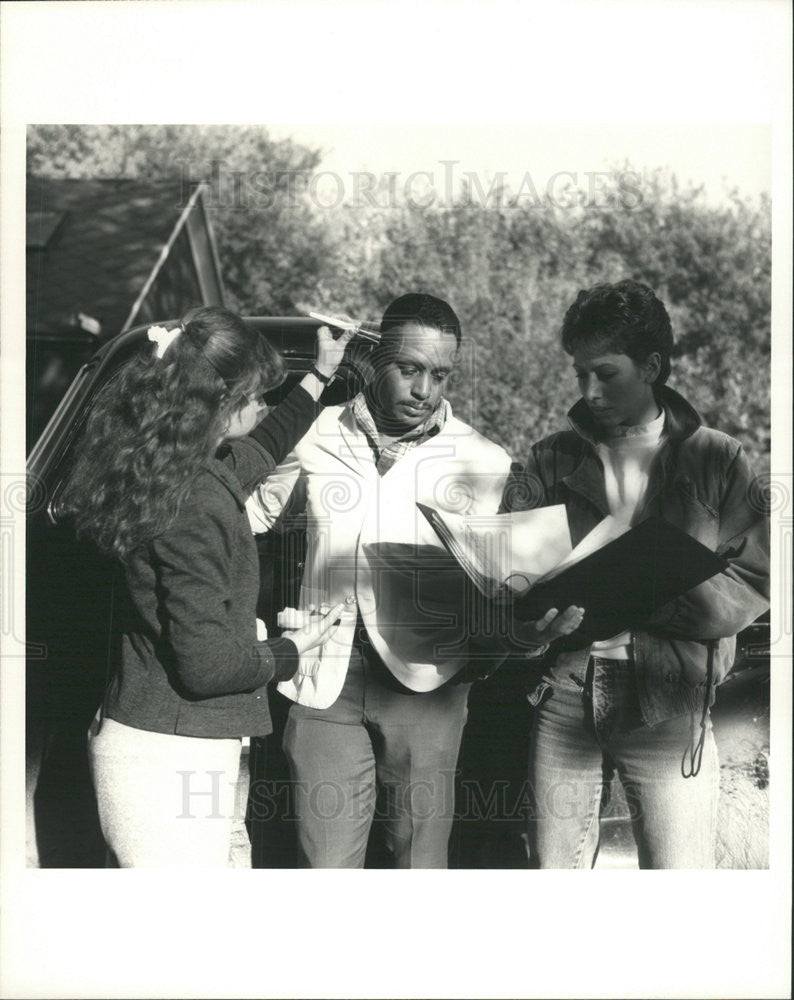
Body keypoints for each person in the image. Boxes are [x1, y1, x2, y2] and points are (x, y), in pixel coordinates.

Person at [246, 293, 579, 868]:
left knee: (418, 864)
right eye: (410, 369)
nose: (426, 390)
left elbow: (505, 583)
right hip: (324, 676)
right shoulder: (313, 431)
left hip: (429, 685)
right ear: (376, 362)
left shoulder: (485, 461)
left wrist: (529, 623)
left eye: (441, 374)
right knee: (324, 867)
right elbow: (245, 513)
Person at [60, 305, 354, 867]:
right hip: (169, 760)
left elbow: (258, 451)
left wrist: (319, 376)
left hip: (161, 739)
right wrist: (292, 651)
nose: (264, 403)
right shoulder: (195, 503)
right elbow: (207, 666)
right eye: (255, 395)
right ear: (219, 404)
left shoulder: (170, 471)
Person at [505, 279, 769, 868]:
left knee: (678, 886)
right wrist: (531, 625)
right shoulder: (551, 456)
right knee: (553, 879)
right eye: (579, 375)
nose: (589, 391)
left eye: (606, 373)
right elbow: (516, 579)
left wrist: (656, 603)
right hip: (566, 687)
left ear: (652, 366)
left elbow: (755, 579)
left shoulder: (717, 457)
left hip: (670, 697)